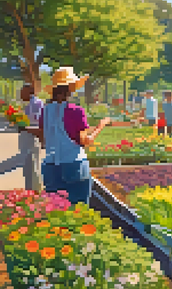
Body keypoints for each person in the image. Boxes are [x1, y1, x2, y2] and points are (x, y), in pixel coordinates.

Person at [36, 67, 111, 204]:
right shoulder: (76, 111)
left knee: (54, 210)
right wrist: (101, 125)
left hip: (50, 166)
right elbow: (85, 141)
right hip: (73, 165)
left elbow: (43, 140)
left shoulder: (45, 111)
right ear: (71, 88)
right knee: (78, 211)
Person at [20, 83, 44, 191]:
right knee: (27, 167)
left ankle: (36, 192)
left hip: (33, 137)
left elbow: (38, 121)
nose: (20, 95)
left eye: (22, 92)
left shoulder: (37, 103)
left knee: (33, 166)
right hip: (26, 137)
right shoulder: (27, 104)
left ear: (30, 92)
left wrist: (24, 126)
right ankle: (29, 190)